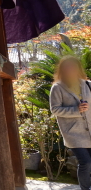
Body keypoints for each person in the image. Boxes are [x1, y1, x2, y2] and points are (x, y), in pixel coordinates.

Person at [50, 56, 91, 190]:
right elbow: (55, 109)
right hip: (73, 133)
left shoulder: (87, 84)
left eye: (73, 66)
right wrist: (76, 110)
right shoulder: (57, 88)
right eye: (67, 67)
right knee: (85, 162)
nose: (70, 69)